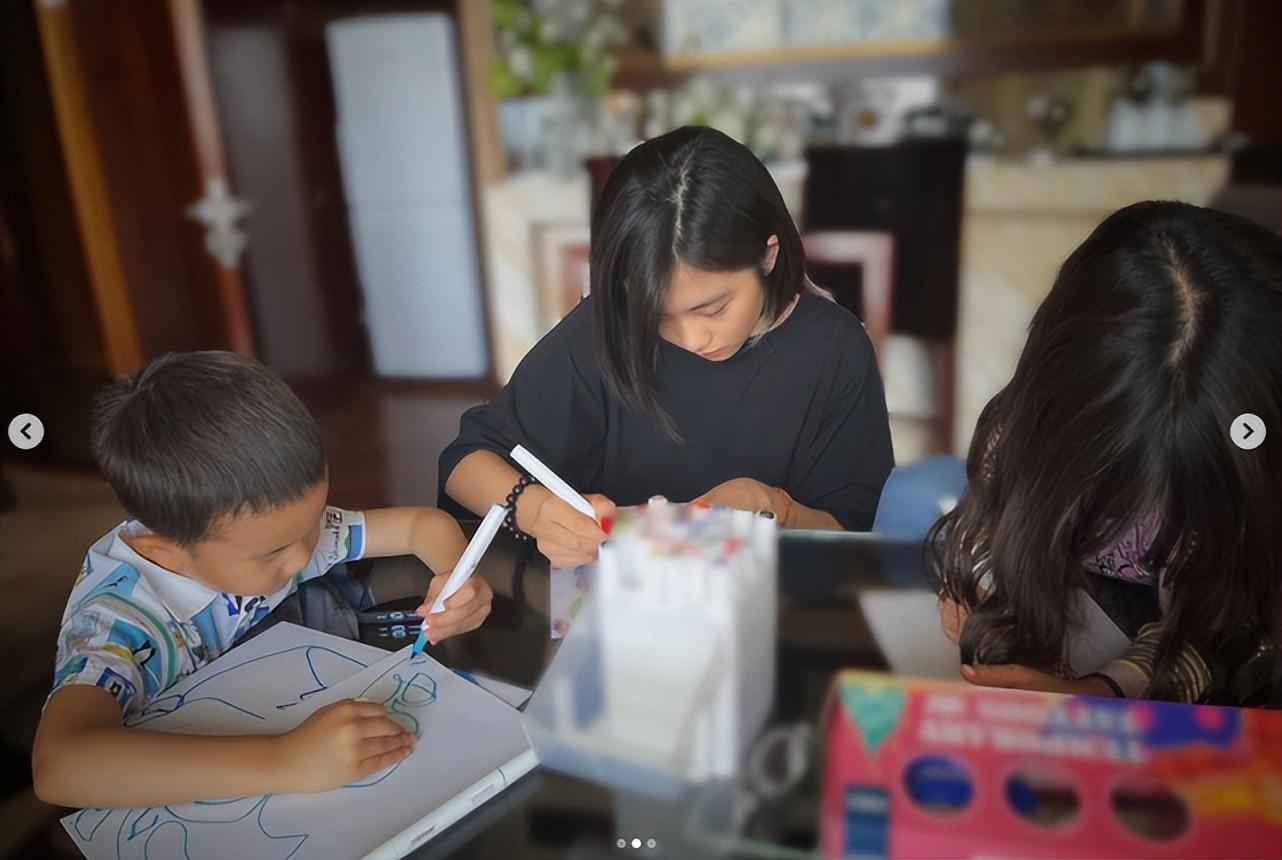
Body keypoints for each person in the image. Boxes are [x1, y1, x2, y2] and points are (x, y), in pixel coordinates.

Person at [32, 351, 494, 809]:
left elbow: (422, 526)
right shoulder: (119, 622)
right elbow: (59, 767)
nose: (304, 555)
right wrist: (284, 761)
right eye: (273, 553)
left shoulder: (278, 531)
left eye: (314, 520)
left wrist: (456, 574)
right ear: (166, 551)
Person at [439, 126, 894, 568]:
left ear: (768, 255)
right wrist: (537, 511)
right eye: (658, 315)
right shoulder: (607, 325)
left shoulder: (834, 348)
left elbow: (857, 531)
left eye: (713, 309)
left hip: (772, 605)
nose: (692, 339)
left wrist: (779, 509)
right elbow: (465, 463)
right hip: (613, 603)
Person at [930, 201, 1281, 705]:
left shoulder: (1253, 488)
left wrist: (1109, 688)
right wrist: (983, 581)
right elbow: (998, 495)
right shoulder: (1033, 424)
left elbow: (1225, 628)